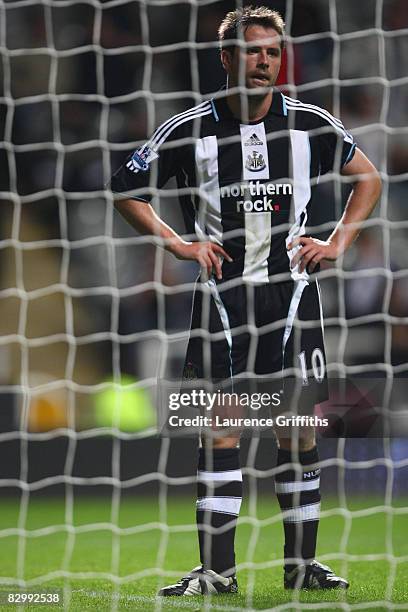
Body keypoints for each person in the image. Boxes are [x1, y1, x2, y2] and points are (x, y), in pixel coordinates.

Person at [110, 6, 381, 596]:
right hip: (222, 299)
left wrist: (338, 242)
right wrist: (179, 245)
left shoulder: (308, 121)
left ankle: (302, 565)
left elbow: (369, 177)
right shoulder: (188, 127)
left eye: (272, 52)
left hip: (292, 296)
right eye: (253, 52)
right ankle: (217, 571)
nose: (264, 62)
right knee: (221, 426)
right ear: (227, 58)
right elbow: (125, 189)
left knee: (298, 426)